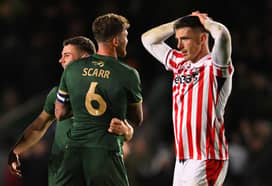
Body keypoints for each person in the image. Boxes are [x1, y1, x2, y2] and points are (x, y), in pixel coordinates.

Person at [8, 36, 135, 186]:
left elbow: (128, 131)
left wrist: (125, 130)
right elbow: (39, 126)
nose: (60, 60)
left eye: (66, 56)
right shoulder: (56, 94)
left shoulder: (105, 91)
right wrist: (16, 151)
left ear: (84, 59)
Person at [141, 11, 234, 186]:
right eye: (177, 39)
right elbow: (147, 39)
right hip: (183, 159)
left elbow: (222, 35)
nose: (179, 45)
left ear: (202, 39)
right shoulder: (180, 63)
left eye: (185, 39)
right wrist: (179, 22)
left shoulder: (214, 67)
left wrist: (206, 22)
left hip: (206, 157)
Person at [55, 13, 143, 186]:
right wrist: (127, 131)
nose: (127, 41)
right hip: (105, 154)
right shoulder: (128, 74)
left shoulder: (72, 69)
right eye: (125, 36)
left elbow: (59, 113)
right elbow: (137, 119)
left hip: (72, 155)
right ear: (116, 41)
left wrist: (83, 112)